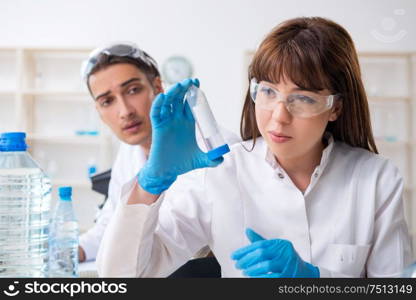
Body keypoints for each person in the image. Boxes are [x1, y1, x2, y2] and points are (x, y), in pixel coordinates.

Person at [96, 17, 413, 277]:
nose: (279, 116)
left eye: (303, 98)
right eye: (268, 91)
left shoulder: (376, 178)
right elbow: (123, 276)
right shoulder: (221, 172)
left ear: (335, 108)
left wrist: (316, 280)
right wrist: (151, 182)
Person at [78, 43, 240, 264]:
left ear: (157, 87)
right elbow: (111, 221)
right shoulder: (129, 151)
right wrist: (75, 250)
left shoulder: (215, 150)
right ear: (99, 112)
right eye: (107, 101)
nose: (125, 111)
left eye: (133, 90)